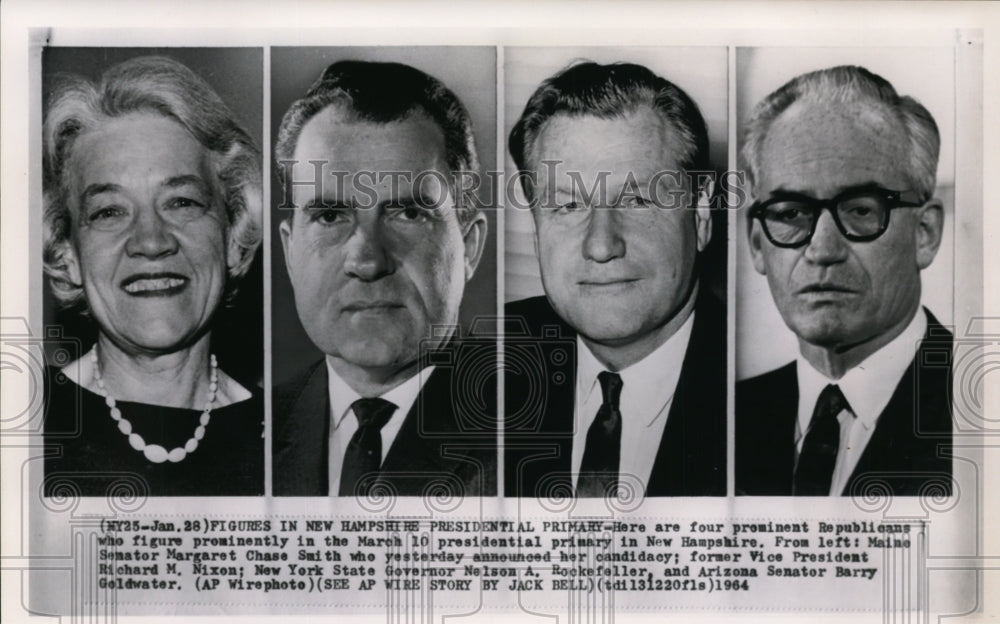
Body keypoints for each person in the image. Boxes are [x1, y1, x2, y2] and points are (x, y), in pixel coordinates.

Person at [43, 55, 264, 497]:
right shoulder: (24, 426)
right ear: (67, 255)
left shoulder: (297, 440)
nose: (150, 240)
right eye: (108, 211)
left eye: (181, 202)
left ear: (234, 236)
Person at [273, 60, 495, 497]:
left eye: (409, 213)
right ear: (290, 252)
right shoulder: (238, 439)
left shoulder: (554, 438)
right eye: (331, 215)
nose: (368, 261)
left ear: (468, 246)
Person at [505, 61, 726, 499]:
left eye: (638, 199)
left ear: (700, 214)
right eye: (567, 207)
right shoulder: (473, 365)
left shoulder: (765, 399)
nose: (601, 246)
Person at [736, 65, 952, 497]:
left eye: (860, 209)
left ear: (924, 234)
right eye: (791, 213)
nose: (822, 249)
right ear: (758, 245)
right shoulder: (726, 417)